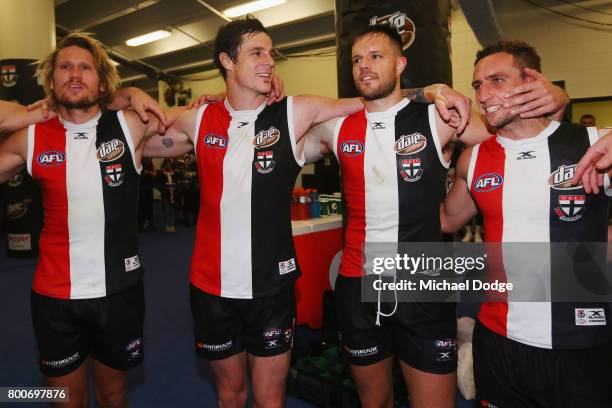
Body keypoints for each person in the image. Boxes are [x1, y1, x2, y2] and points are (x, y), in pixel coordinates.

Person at [141, 15, 479, 408]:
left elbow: (373, 101)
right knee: (229, 396)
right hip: (211, 283)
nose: (269, 61)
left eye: (271, 53)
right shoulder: (198, 119)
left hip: (279, 284)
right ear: (227, 61)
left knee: (271, 399)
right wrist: (129, 98)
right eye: (257, 53)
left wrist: (431, 91)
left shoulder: (295, 114)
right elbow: (136, 138)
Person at [301, 26, 568, 408]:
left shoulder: (439, 117)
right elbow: (282, 133)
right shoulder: (336, 126)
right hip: (358, 277)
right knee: (374, 401)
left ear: (401, 63)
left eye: (377, 56)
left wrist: (558, 97)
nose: (365, 66)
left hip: (424, 275)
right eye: (358, 60)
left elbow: (522, 134)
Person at [0, 32, 168, 408]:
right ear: (51, 81)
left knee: (112, 395)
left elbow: (206, 123)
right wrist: (20, 114)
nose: (74, 74)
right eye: (65, 67)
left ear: (102, 81)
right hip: (54, 299)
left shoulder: (130, 125)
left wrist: (130, 95)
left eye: (85, 67)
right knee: (64, 401)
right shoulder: (30, 137)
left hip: (119, 293)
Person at [441, 40, 612, 408]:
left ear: (532, 81)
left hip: (578, 344)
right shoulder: (473, 160)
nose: (483, 95)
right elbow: (445, 218)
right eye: (477, 85)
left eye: (497, 80)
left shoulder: (592, 144)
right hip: (497, 340)